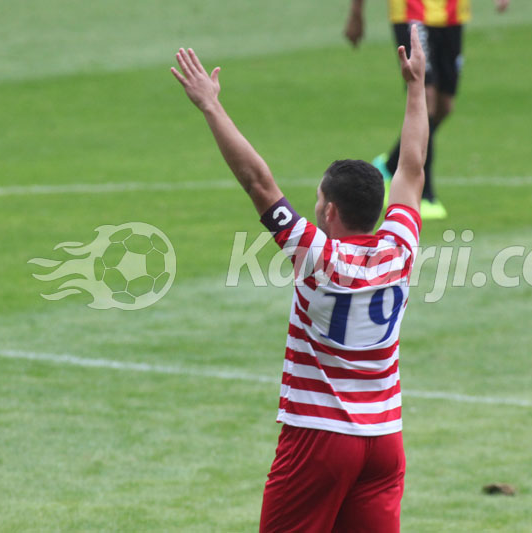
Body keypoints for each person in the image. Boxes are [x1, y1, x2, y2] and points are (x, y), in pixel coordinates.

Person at [171, 24, 428, 533]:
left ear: (329, 209)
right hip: (385, 442)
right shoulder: (399, 247)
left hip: (319, 440)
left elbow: (258, 182)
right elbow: (413, 168)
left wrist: (210, 105)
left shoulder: (318, 256)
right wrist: (416, 86)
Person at [344, 0, 509, 220]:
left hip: (452, 13)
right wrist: (357, 13)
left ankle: (390, 166)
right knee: (425, 97)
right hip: (412, 10)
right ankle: (423, 194)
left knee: (445, 106)